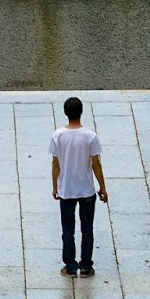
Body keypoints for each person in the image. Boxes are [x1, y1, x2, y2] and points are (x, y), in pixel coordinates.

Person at [50, 96, 108, 277]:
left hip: (67, 188)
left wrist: (55, 186)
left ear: (66, 113)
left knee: (67, 230)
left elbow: (55, 164)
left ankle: (70, 265)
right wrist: (103, 187)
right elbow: (96, 164)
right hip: (86, 189)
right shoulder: (90, 136)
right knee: (87, 229)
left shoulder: (58, 135)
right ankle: (85, 265)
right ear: (81, 112)